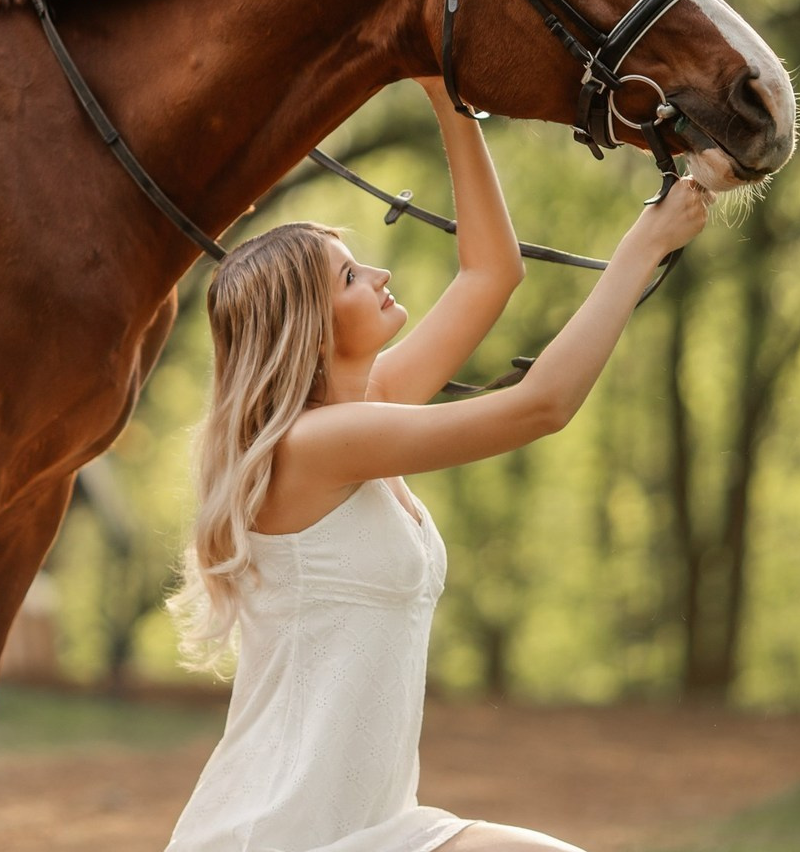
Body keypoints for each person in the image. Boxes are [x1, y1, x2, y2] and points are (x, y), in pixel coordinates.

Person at [164, 79, 714, 852]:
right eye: (350, 277)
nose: (380, 276)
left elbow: (492, 273)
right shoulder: (318, 445)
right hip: (284, 833)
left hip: (381, 825)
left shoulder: (369, 409)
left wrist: (446, 94)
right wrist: (642, 246)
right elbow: (541, 406)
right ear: (310, 330)